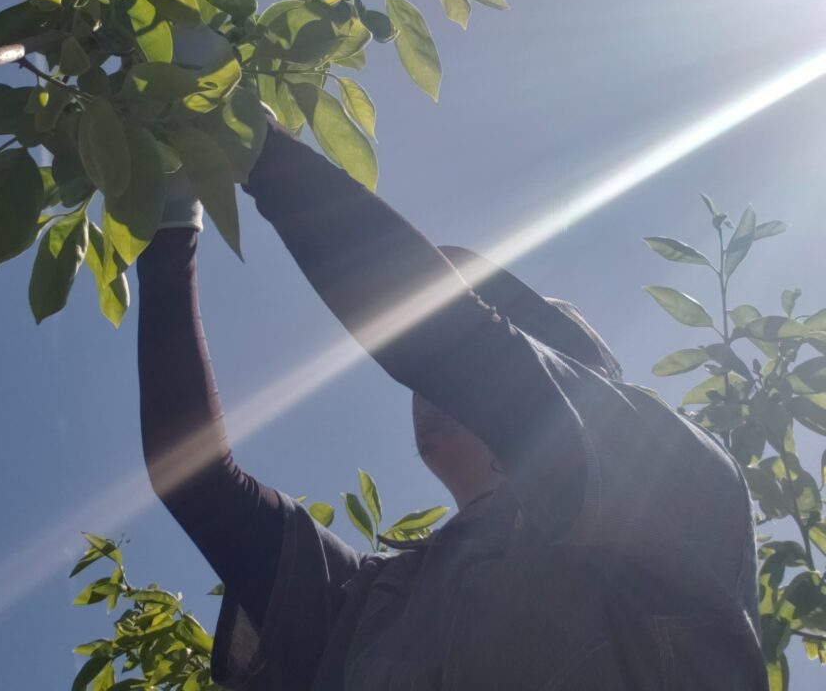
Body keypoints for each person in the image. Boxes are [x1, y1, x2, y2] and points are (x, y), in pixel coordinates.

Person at [136, 116, 767, 691]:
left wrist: (262, 151)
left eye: (507, 331)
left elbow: (462, 349)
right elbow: (197, 482)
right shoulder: (380, 597)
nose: (430, 387)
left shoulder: (675, 480)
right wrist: (171, 230)